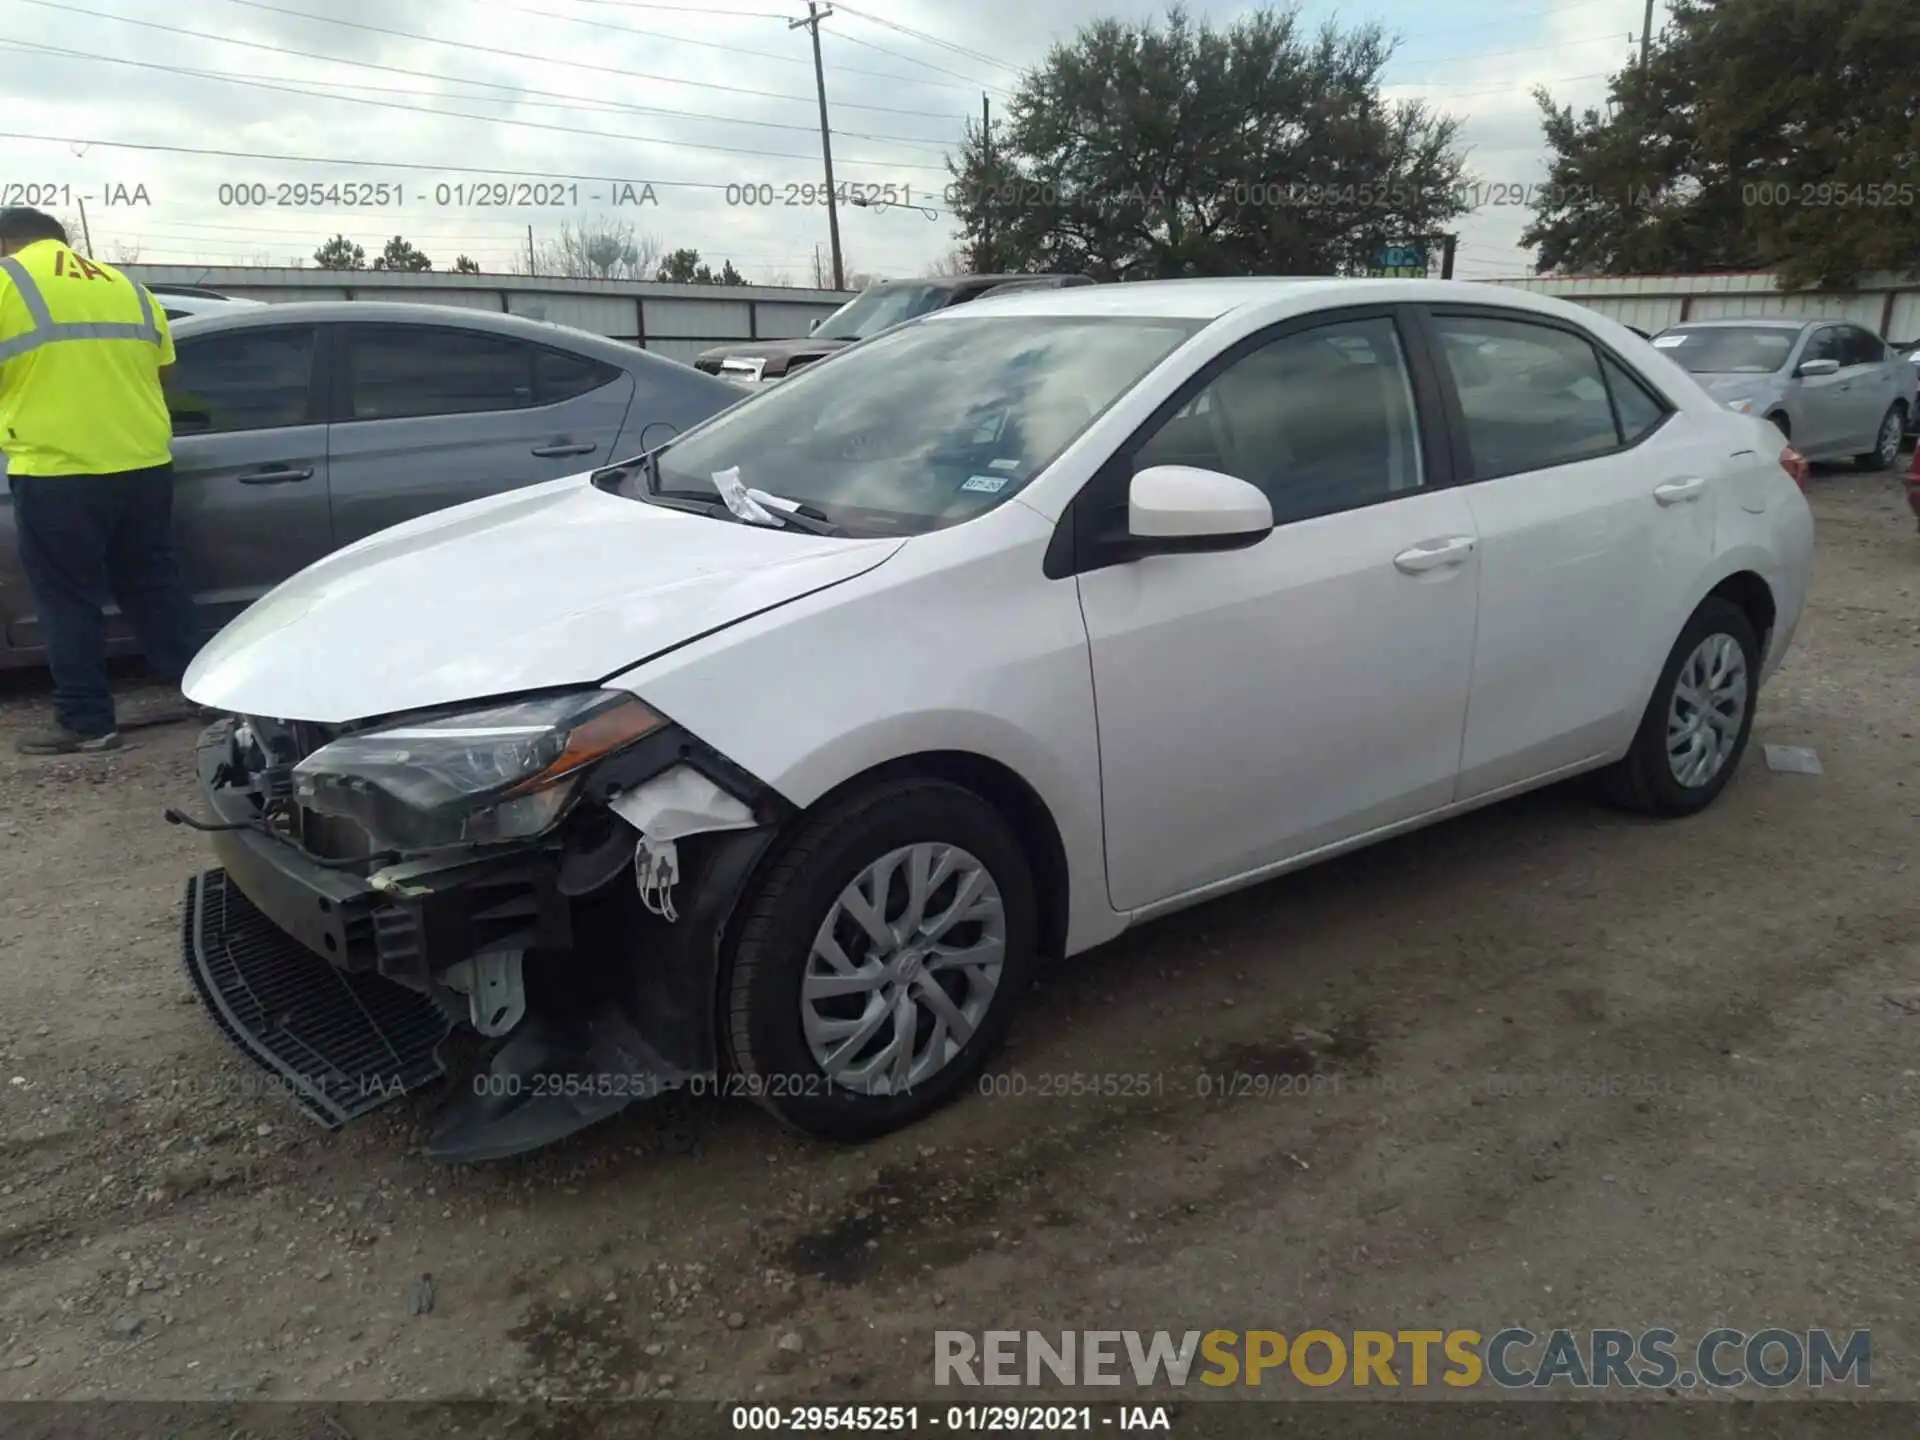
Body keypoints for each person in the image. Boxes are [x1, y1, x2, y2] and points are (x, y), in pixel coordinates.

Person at [0, 206, 204, 754]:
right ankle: (209, 698)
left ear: (8, 243)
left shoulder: (6, 281)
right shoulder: (127, 286)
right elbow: (165, 372)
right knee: (153, 586)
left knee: (67, 598)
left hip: (59, 469)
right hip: (142, 463)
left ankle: (87, 722)